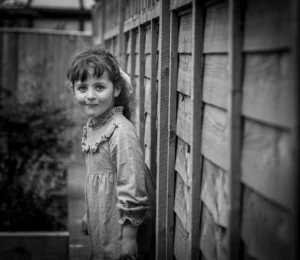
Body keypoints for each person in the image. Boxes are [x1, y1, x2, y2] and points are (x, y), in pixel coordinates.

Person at [67, 47, 155, 260]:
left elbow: (132, 186)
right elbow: (95, 179)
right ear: (74, 90)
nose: (90, 96)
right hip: (104, 221)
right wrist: (90, 211)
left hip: (122, 230)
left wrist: (129, 238)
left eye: (99, 87)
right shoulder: (94, 126)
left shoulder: (120, 132)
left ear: (116, 90)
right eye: (82, 88)